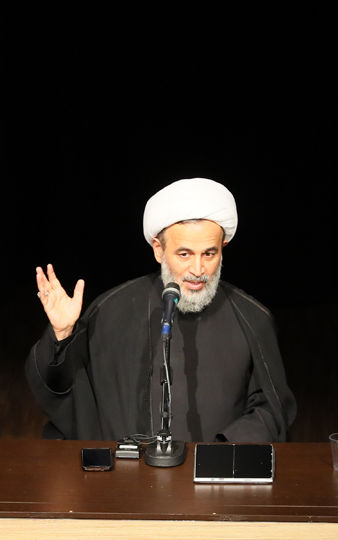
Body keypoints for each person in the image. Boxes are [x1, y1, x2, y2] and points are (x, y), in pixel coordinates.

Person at [26, 178, 296, 442]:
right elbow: (68, 394)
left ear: (222, 248)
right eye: (184, 254)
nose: (198, 270)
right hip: (124, 471)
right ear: (158, 249)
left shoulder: (251, 318)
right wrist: (62, 335)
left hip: (215, 470)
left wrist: (224, 449)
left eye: (209, 254)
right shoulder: (111, 310)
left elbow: (272, 409)